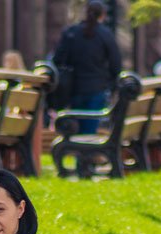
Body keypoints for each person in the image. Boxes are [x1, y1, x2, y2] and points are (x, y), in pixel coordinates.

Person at [52, 0, 122, 134]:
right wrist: (112, 85)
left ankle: (80, 153)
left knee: (77, 125)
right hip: (97, 88)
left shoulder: (72, 32)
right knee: (90, 128)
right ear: (102, 15)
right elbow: (116, 64)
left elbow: (58, 59)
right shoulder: (105, 35)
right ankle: (86, 153)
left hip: (75, 88)